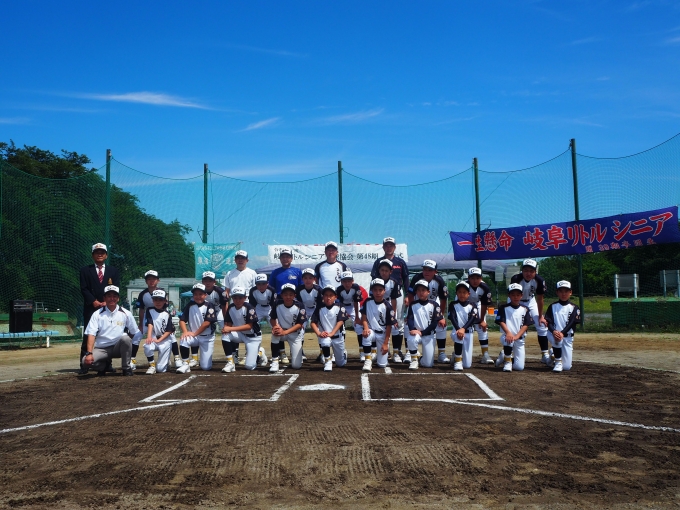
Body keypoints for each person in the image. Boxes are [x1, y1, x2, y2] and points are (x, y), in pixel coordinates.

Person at [79, 243, 120, 374]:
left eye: (102, 252)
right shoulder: (85, 270)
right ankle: (84, 364)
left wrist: (107, 302)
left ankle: (107, 364)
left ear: (106, 255)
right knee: (88, 334)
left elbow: (116, 288)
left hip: (108, 308)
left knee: (107, 334)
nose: (100, 254)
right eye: (97, 252)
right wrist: (94, 301)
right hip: (91, 308)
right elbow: (84, 289)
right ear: (93, 255)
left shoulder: (113, 271)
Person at [82, 285, 138, 376]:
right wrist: (89, 353)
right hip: (102, 348)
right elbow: (91, 334)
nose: (112, 298)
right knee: (85, 361)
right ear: (104, 298)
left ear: (118, 298)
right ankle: (103, 366)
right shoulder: (97, 314)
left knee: (126, 339)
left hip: (118, 348)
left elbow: (133, 332)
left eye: (114, 296)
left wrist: (125, 345)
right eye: (109, 296)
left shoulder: (126, 313)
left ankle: (126, 368)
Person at [370, 237, 409, 353]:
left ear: (394, 247)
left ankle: (397, 351)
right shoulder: (378, 262)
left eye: (391, 245)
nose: (389, 247)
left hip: (397, 294)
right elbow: (373, 279)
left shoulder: (400, 262)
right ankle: (380, 350)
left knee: (398, 321)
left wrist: (408, 295)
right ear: (383, 247)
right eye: (386, 245)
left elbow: (406, 278)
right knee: (380, 321)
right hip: (380, 294)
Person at [176, 283, 224, 373]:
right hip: (194, 336)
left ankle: (200, 361)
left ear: (205, 295)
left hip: (207, 338)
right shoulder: (189, 305)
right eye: (195, 294)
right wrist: (185, 332)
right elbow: (182, 320)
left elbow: (207, 323)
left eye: (200, 294)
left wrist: (194, 334)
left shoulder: (209, 305)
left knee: (206, 367)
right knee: (184, 339)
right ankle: (185, 364)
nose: (198, 296)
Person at [408, 260, 450, 364]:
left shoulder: (439, 280)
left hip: (433, 304)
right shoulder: (417, 278)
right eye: (425, 269)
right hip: (417, 304)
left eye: (430, 270)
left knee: (441, 324)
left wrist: (441, 316)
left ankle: (441, 353)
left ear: (435, 271)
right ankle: (410, 352)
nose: (426, 272)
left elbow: (443, 299)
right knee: (408, 324)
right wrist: (411, 311)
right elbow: (411, 294)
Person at [510, 259, 550, 365]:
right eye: (526, 270)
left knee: (542, 325)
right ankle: (510, 353)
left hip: (531, 301)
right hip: (516, 301)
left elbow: (540, 299)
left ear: (535, 271)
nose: (528, 273)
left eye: (531, 271)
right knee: (515, 327)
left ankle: (545, 354)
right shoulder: (516, 278)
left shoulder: (539, 280)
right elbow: (512, 296)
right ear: (522, 271)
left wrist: (540, 316)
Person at [220, 286, 263, 373]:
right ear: (232, 298)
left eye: (240, 298)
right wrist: (226, 329)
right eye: (235, 298)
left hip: (253, 337)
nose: (237, 300)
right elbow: (228, 322)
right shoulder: (231, 307)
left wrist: (230, 328)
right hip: (241, 334)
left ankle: (260, 352)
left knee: (250, 366)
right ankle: (230, 363)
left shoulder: (249, 307)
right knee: (225, 335)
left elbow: (249, 326)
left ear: (245, 298)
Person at [405, 279, 445, 370]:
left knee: (428, 364)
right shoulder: (413, 305)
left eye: (423, 290)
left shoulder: (434, 305)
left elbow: (434, 323)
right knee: (411, 337)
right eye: (418, 290)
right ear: (416, 292)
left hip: (429, 335)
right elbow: (410, 319)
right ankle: (414, 360)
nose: (421, 292)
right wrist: (412, 329)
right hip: (417, 334)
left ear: (428, 292)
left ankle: (421, 358)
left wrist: (423, 332)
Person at [360, 278, 398, 372]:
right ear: (372, 291)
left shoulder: (387, 306)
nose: (378, 292)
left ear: (384, 291)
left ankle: (378, 356)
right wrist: (365, 328)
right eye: (375, 290)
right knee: (366, 335)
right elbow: (363, 317)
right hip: (371, 331)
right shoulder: (367, 302)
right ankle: (368, 360)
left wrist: (385, 343)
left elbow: (389, 326)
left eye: (380, 290)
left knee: (382, 365)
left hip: (382, 334)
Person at [495, 283, 534, 372]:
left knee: (519, 367)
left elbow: (526, 325)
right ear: (509, 295)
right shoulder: (503, 308)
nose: (515, 297)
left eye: (518, 295)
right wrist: (508, 333)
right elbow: (501, 321)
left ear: (521, 295)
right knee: (509, 340)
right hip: (507, 336)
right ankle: (507, 362)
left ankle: (504, 355)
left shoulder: (525, 309)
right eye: (513, 294)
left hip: (519, 339)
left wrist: (517, 336)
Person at [310, 285, 349, 372]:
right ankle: (328, 361)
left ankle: (343, 354)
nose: (328, 298)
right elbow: (312, 323)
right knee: (325, 341)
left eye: (331, 295)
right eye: (326, 295)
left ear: (335, 297)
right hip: (326, 335)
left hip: (337, 337)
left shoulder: (340, 306)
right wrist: (319, 333)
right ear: (323, 297)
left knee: (340, 364)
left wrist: (332, 333)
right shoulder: (319, 308)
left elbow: (340, 321)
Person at [544, 280, 581, 373]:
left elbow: (572, 322)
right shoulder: (552, 306)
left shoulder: (574, 307)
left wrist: (562, 333)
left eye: (566, 291)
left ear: (570, 292)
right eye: (561, 291)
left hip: (567, 337)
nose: (563, 294)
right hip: (553, 334)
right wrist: (554, 331)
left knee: (567, 367)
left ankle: (553, 355)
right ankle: (557, 362)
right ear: (557, 292)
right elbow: (548, 322)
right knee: (558, 340)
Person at [269, 284, 307, 372]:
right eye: (285, 294)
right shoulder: (277, 303)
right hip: (282, 331)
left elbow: (300, 324)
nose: (288, 297)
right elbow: (272, 318)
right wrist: (275, 326)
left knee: (296, 366)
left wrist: (285, 332)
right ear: (282, 295)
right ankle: (275, 361)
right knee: (275, 334)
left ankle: (296, 357)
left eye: (290, 294)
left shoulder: (300, 305)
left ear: (294, 295)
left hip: (295, 334)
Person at [132, 270, 162, 371]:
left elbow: (164, 309)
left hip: (159, 317)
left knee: (165, 338)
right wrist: (140, 324)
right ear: (146, 281)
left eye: (154, 279)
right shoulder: (142, 294)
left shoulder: (162, 292)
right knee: (136, 336)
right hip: (147, 317)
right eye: (149, 279)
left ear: (158, 280)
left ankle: (167, 359)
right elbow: (141, 309)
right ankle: (132, 360)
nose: (151, 281)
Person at [376, 259, 404, 361]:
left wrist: (393, 315)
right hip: (378, 305)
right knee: (380, 327)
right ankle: (381, 351)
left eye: (386, 270)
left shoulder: (394, 282)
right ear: (379, 270)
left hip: (389, 305)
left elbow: (393, 299)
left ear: (390, 271)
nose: (384, 272)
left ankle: (396, 353)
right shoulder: (375, 281)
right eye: (382, 270)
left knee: (395, 327)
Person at [143, 289, 176, 375]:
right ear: (152, 300)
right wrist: (149, 336)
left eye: (160, 300)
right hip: (154, 337)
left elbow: (169, 330)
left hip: (164, 340)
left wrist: (159, 340)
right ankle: (152, 366)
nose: (158, 302)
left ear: (165, 301)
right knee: (147, 345)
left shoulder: (167, 314)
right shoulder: (149, 310)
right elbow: (150, 323)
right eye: (155, 299)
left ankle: (166, 362)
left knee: (161, 369)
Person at [447, 281, 478, 371]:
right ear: (456, 293)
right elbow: (452, 318)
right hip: (456, 331)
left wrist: (463, 329)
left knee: (467, 365)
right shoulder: (453, 304)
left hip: (468, 332)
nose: (462, 294)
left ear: (469, 294)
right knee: (459, 337)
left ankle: (455, 355)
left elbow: (472, 319)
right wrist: (459, 329)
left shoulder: (473, 305)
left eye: (464, 292)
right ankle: (458, 361)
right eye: (459, 292)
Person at [466, 267, 494, 364]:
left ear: (481, 278)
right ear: (468, 278)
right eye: (472, 278)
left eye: (477, 278)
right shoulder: (463, 285)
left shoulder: (484, 287)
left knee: (482, 328)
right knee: (463, 328)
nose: (475, 280)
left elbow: (484, 304)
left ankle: (485, 354)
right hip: (465, 305)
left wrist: (482, 320)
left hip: (478, 304)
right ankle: (459, 352)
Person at [296, 268, 322, 363]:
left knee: (319, 330)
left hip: (316, 309)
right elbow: (299, 304)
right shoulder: (299, 289)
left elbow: (320, 305)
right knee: (300, 331)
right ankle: (300, 354)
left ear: (314, 279)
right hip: (304, 309)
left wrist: (316, 318)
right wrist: (301, 319)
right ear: (302, 279)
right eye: (305, 278)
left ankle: (322, 353)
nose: (308, 280)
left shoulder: (318, 289)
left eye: (310, 278)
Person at [336, 270, 364, 360]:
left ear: (353, 281)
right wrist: (342, 318)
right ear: (341, 282)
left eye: (349, 281)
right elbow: (339, 304)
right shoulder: (339, 289)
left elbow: (356, 302)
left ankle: (362, 351)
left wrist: (357, 317)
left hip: (353, 306)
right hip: (342, 306)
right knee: (341, 328)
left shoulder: (356, 287)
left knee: (359, 327)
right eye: (345, 281)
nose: (347, 283)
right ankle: (342, 351)